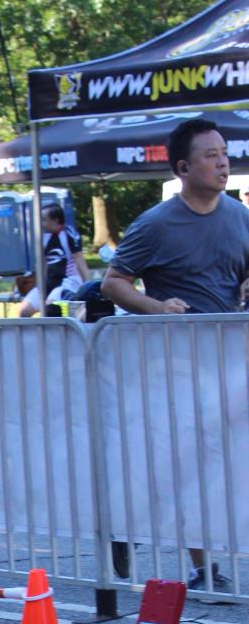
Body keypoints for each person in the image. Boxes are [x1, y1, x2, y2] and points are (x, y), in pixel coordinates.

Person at [101, 118, 249, 590]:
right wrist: (157, 306)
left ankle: (125, 522)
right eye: (211, 155)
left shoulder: (240, 216)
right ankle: (201, 567)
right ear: (183, 168)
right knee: (193, 466)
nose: (223, 163)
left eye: (224, 153)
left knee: (216, 463)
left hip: (229, 361)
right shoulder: (156, 224)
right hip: (176, 366)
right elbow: (113, 283)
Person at [18, 204, 90, 317]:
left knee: (50, 308)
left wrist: (88, 285)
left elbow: (79, 260)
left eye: (44, 220)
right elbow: (43, 262)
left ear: (55, 221)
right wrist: (39, 283)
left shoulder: (69, 234)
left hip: (68, 281)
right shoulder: (43, 236)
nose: (41, 224)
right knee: (24, 311)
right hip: (49, 281)